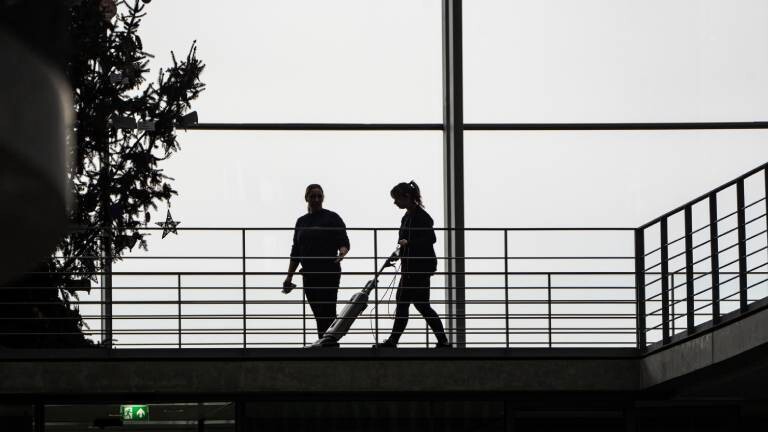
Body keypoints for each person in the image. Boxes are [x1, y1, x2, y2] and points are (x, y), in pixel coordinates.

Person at [374, 181, 451, 348]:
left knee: (404, 303)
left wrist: (408, 243)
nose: (395, 202)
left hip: (418, 268)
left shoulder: (421, 217)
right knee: (420, 305)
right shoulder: (408, 216)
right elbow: (405, 241)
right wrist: (398, 253)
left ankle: (393, 341)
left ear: (406, 197)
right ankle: (442, 341)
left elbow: (430, 239)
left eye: (396, 199)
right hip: (413, 267)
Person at [283, 184, 350, 345]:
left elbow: (343, 239)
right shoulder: (301, 222)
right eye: (313, 196)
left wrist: (342, 251)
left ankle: (328, 344)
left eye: (319, 196)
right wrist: (289, 277)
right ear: (307, 198)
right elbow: (296, 251)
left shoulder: (332, 217)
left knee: (327, 309)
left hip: (329, 271)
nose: (316, 199)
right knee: (318, 311)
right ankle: (328, 343)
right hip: (309, 273)